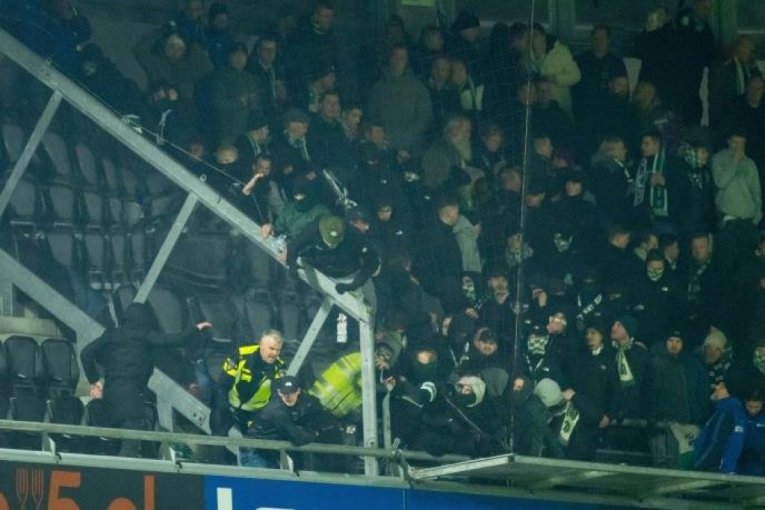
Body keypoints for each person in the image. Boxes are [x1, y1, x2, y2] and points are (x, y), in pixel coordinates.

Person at [81, 303, 212, 457]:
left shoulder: (111, 335)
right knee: (131, 447)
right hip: (131, 400)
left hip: (110, 398)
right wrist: (196, 328)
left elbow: (86, 353)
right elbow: (173, 340)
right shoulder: (144, 335)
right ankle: (124, 479)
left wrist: (94, 380)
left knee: (117, 446)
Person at [241, 375, 336, 469]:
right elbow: (297, 438)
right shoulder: (277, 411)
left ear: (298, 391)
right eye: (285, 393)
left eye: (292, 392)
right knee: (267, 482)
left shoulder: (302, 402)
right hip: (254, 452)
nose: (288, 397)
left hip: (268, 452)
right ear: (279, 392)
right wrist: (316, 433)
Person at [212, 330, 285, 435]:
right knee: (217, 429)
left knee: (256, 444)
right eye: (271, 349)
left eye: (278, 350)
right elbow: (222, 385)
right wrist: (224, 407)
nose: (274, 354)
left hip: (254, 413)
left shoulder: (280, 367)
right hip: (229, 405)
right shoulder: (240, 355)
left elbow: (276, 398)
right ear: (261, 345)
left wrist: (263, 417)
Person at [367, 44, 433, 156]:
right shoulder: (378, 88)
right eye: (395, 57)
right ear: (390, 58)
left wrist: (407, 134)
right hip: (385, 147)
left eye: (402, 57)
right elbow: (372, 116)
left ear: (407, 60)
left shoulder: (418, 87)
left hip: (412, 147)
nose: (398, 61)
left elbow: (424, 116)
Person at [694, 388, 765, 475]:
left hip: (754, 468)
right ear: (744, 401)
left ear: (763, 403)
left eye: (757, 407)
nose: (753, 410)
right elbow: (721, 442)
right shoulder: (733, 414)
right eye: (750, 406)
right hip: (724, 467)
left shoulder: (760, 418)